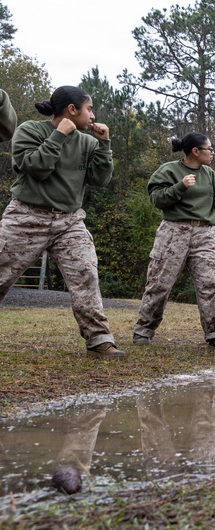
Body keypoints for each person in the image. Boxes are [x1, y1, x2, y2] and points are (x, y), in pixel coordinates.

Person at [0, 86, 124, 358]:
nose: (92, 115)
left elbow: (100, 179)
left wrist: (104, 145)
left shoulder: (87, 141)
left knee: (86, 274)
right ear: (72, 109)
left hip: (69, 221)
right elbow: (35, 167)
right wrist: (58, 136)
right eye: (89, 108)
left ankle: (99, 339)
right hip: (26, 216)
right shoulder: (30, 131)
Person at [132, 133, 215, 353]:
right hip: (174, 230)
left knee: (212, 283)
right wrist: (180, 187)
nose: (213, 153)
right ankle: (143, 330)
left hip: (205, 232)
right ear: (196, 151)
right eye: (209, 149)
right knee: (160, 282)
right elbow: (157, 199)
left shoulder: (209, 174)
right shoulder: (169, 170)